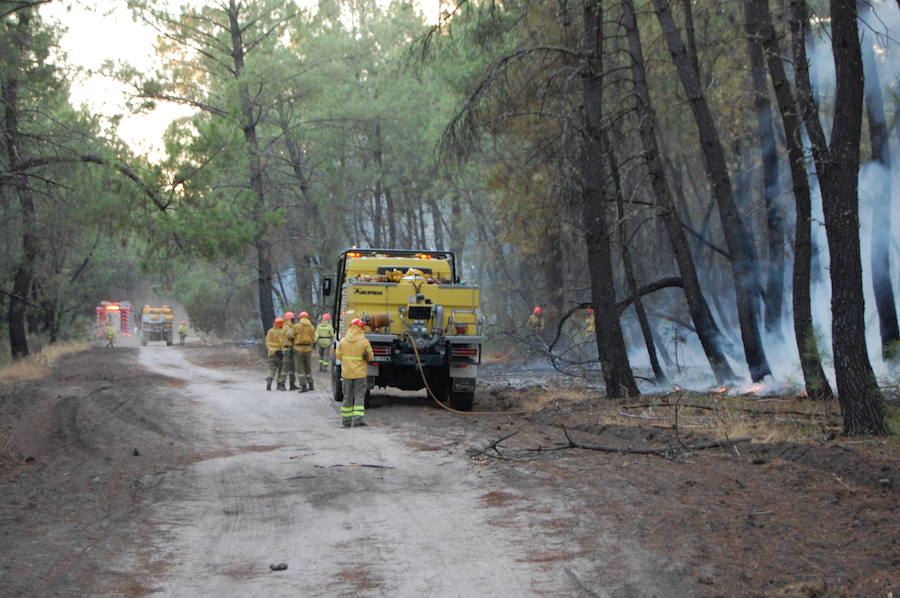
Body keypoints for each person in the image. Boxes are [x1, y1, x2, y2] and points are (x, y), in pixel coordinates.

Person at [335, 318, 374, 427]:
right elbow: (370, 358)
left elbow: (338, 356)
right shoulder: (364, 342)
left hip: (347, 374)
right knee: (359, 397)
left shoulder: (343, 341)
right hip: (360, 374)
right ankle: (357, 421)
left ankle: (346, 421)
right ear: (361, 328)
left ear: (350, 327)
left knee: (347, 397)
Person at [292, 311, 316, 392]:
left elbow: (289, 335)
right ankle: (311, 385)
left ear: (300, 318)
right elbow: (313, 339)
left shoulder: (296, 326)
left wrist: (294, 339)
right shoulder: (312, 327)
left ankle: (303, 386)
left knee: (300, 368)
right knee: (308, 367)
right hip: (308, 349)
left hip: (298, 349)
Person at [264, 317, 287, 391]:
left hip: (272, 353)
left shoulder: (270, 331)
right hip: (280, 353)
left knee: (271, 368)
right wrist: (283, 350)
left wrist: (271, 350)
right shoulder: (282, 331)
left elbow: (267, 342)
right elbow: (283, 343)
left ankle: (269, 379)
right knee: (280, 369)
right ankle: (279, 385)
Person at [282, 312, 297, 389]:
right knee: (285, 367)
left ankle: (292, 384)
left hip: (291, 348)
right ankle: (281, 384)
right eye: (292, 319)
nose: (294, 320)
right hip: (287, 349)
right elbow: (290, 336)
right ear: (290, 319)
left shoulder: (290, 326)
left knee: (292, 368)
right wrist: (296, 337)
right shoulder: (286, 327)